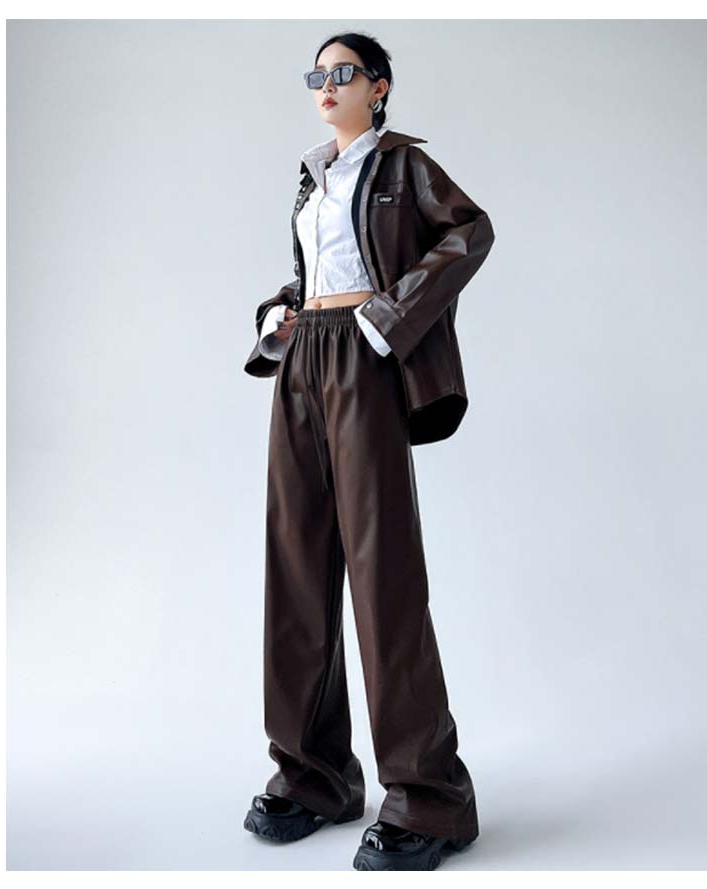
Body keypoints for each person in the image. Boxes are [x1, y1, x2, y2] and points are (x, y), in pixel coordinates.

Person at [242, 31, 495, 871]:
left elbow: (469, 231)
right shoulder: (313, 175)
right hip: (303, 362)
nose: (327, 84)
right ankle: (313, 775)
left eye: (343, 72)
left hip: (362, 357)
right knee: (295, 565)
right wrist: (279, 313)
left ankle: (429, 797)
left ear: (378, 87)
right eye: (317, 74)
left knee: (382, 572)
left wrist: (388, 321)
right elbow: (316, 271)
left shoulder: (402, 167)